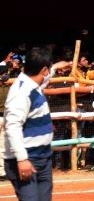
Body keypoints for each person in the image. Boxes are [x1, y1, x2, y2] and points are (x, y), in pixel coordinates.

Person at [3, 47, 70, 201]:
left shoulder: (32, 84)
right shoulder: (22, 92)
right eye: (48, 69)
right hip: (27, 159)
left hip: (42, 157)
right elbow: (13, 126)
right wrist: (22, 159)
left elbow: (44, 78)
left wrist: (55, 66)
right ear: (44, 70)